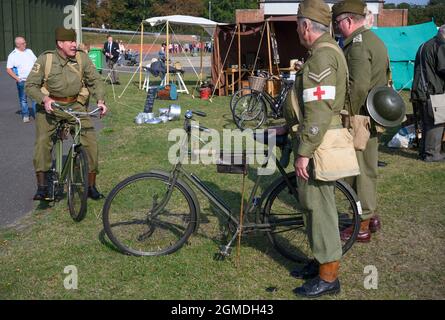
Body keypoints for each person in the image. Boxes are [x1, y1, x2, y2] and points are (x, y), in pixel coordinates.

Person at [271, 0, 347, 298]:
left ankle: (329, 277)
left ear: (305, 26)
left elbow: (318, 110)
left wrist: (304, 151)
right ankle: (318, 262)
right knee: (311, 208)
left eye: (298, 24)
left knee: (321, 210)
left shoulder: (321, 58)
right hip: (313, 141)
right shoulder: (323, 53)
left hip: (317, 145)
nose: (298, 30)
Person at [26, 27, 108, 201]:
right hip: (51, 108)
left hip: (75, 106)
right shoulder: (46, 59)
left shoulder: (81, 57)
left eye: (74, 41)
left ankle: (91, 186)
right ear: (60, 43)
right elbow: (30, 86)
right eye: (70, 41)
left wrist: (100, 100)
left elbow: (95, 80)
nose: (74, 44)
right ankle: (42, 187)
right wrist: (44, 100)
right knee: (42, 142)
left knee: (91, 143)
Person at [332, 0, 389, 243]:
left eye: (337, 23)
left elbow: (357, 87)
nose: (336, 28)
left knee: (360, 172)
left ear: (347, 21)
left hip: (359, 118)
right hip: (371, 115)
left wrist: (343, 116)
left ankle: (362, 223)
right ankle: (370, 216)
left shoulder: (357, 45)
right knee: (367, 169)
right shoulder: (373, 40)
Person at [412, 25, 445, 162]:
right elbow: (443, 69)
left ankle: (424, 152)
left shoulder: (423, 45)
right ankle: (432, 154)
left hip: (420, 90)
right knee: (436, 123)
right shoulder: (440, 45)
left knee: (426, 123)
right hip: (432, 90)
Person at [6, 36, 37, 123]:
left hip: (33, 80)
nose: (25, 44)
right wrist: (17, 78)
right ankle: (25, 115)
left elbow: (36, 62)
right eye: (23, 43)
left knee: (35, 98)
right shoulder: (12, 55)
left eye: (25, 42)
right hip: (22, 81)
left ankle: (37, 116)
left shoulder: (29, 51)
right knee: (23, 99)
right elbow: (8, 69)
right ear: (18, 45)